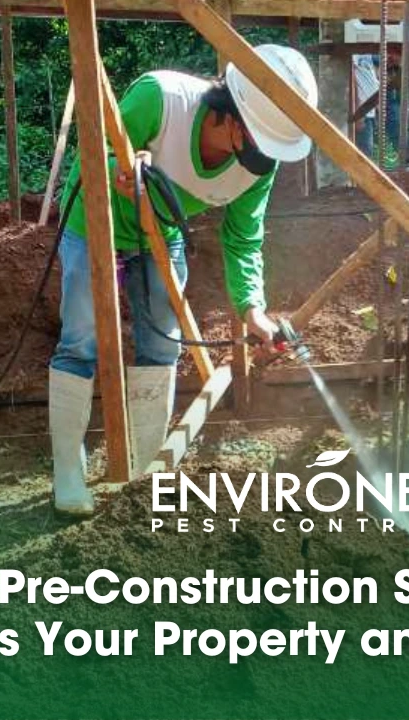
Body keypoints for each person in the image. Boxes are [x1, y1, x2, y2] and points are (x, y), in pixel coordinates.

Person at [48, 45, 318, 515]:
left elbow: (243, 237)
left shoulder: (259, 168)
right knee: (81, 340)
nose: (262, 159)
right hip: (94, 226)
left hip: (161, 236)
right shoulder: (161, 99)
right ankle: (68, 474)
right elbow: (96, 152)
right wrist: (123, 171)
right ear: (232, 117)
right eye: (259, 143)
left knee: (162, 344)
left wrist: (251, 307)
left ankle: (144, 473)